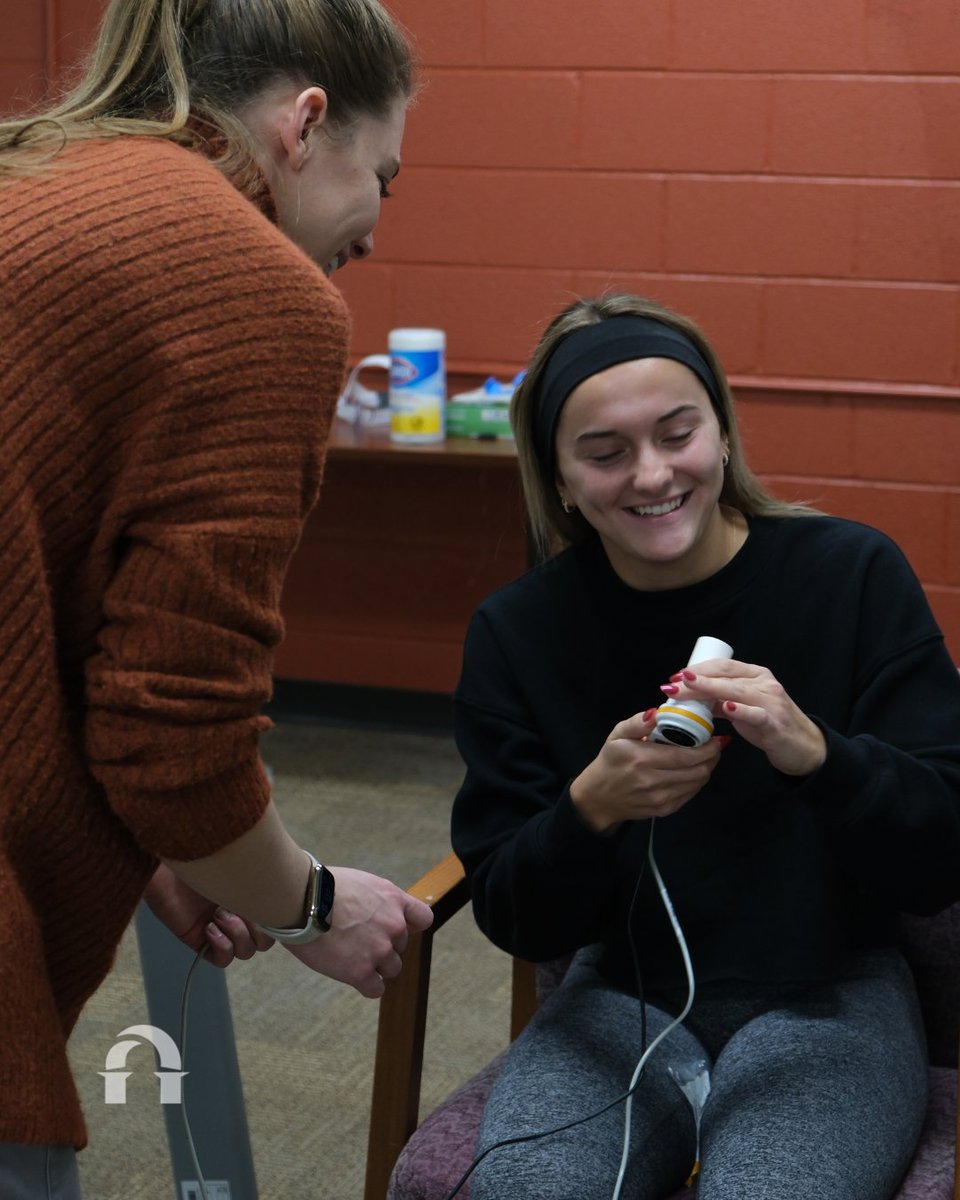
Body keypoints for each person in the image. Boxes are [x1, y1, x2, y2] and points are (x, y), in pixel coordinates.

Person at [0, 1, 433, 1195]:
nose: (374, 228)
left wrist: (168, 853)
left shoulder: (38, 180)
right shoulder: (254, 284)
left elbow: (43, 616)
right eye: (382, 175)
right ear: (304, 125)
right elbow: (172, 739)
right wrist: (312, 904)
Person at [450, 292, 960, 1200]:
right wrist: (592, 808)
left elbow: (940, 854)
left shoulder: (851, 576)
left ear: (722, 436)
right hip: (616, 1003)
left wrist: (818, 756)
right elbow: (513, 916)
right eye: (604, 455)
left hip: (833, 997)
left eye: (677, 434)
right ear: (560, 481)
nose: (650, 476)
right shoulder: (517, 632)